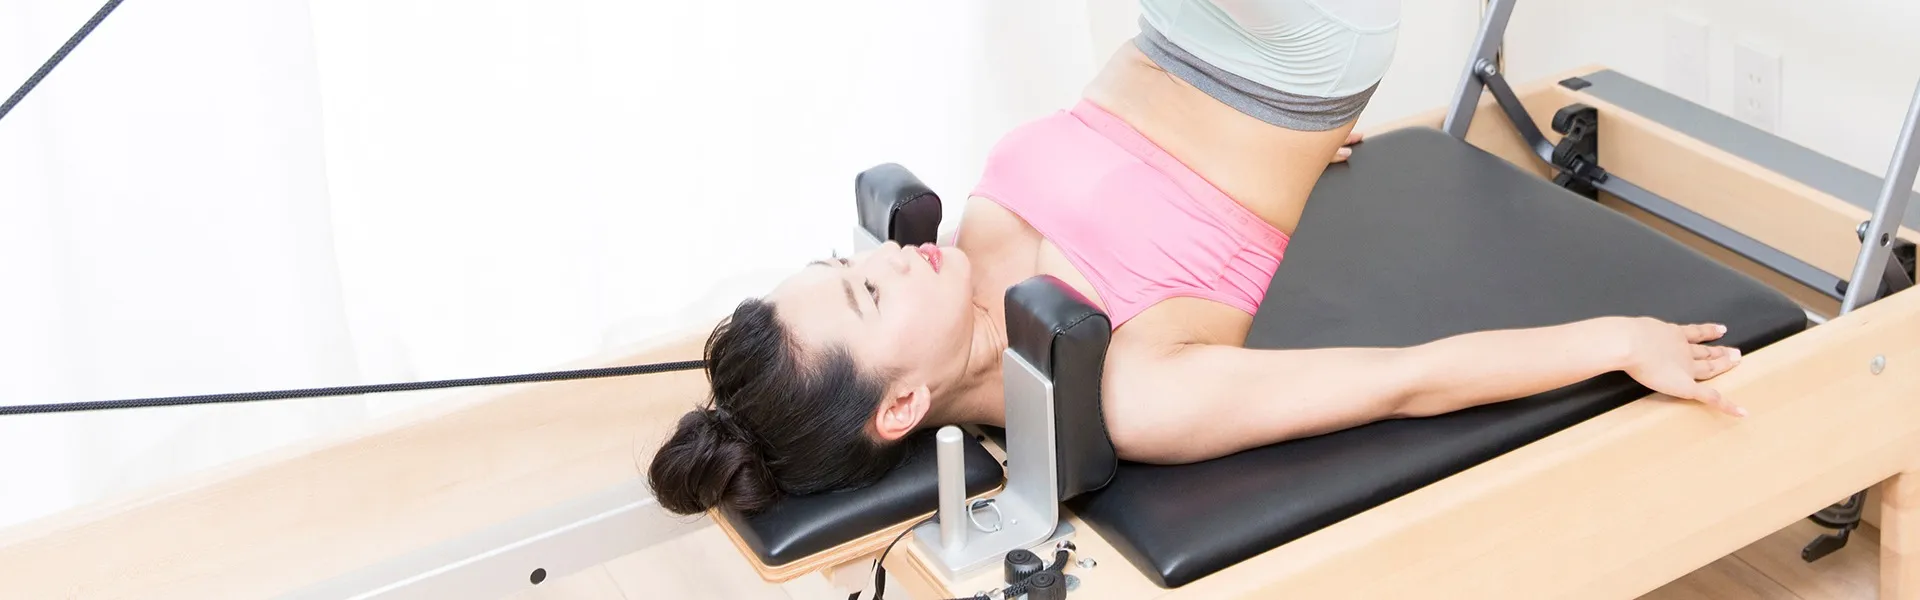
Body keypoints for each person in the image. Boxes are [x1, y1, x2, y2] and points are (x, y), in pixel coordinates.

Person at [647, 0, 1746, 516]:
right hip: (1303, 43)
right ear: (901, 406)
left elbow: (1142, 167)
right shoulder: (1134, 392)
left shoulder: (960, 263)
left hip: (1189, 25)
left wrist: (1291, 164)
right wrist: (1614, 339)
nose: (891, 258)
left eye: (850, 264)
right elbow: (1403, 382)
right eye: (866, 292)